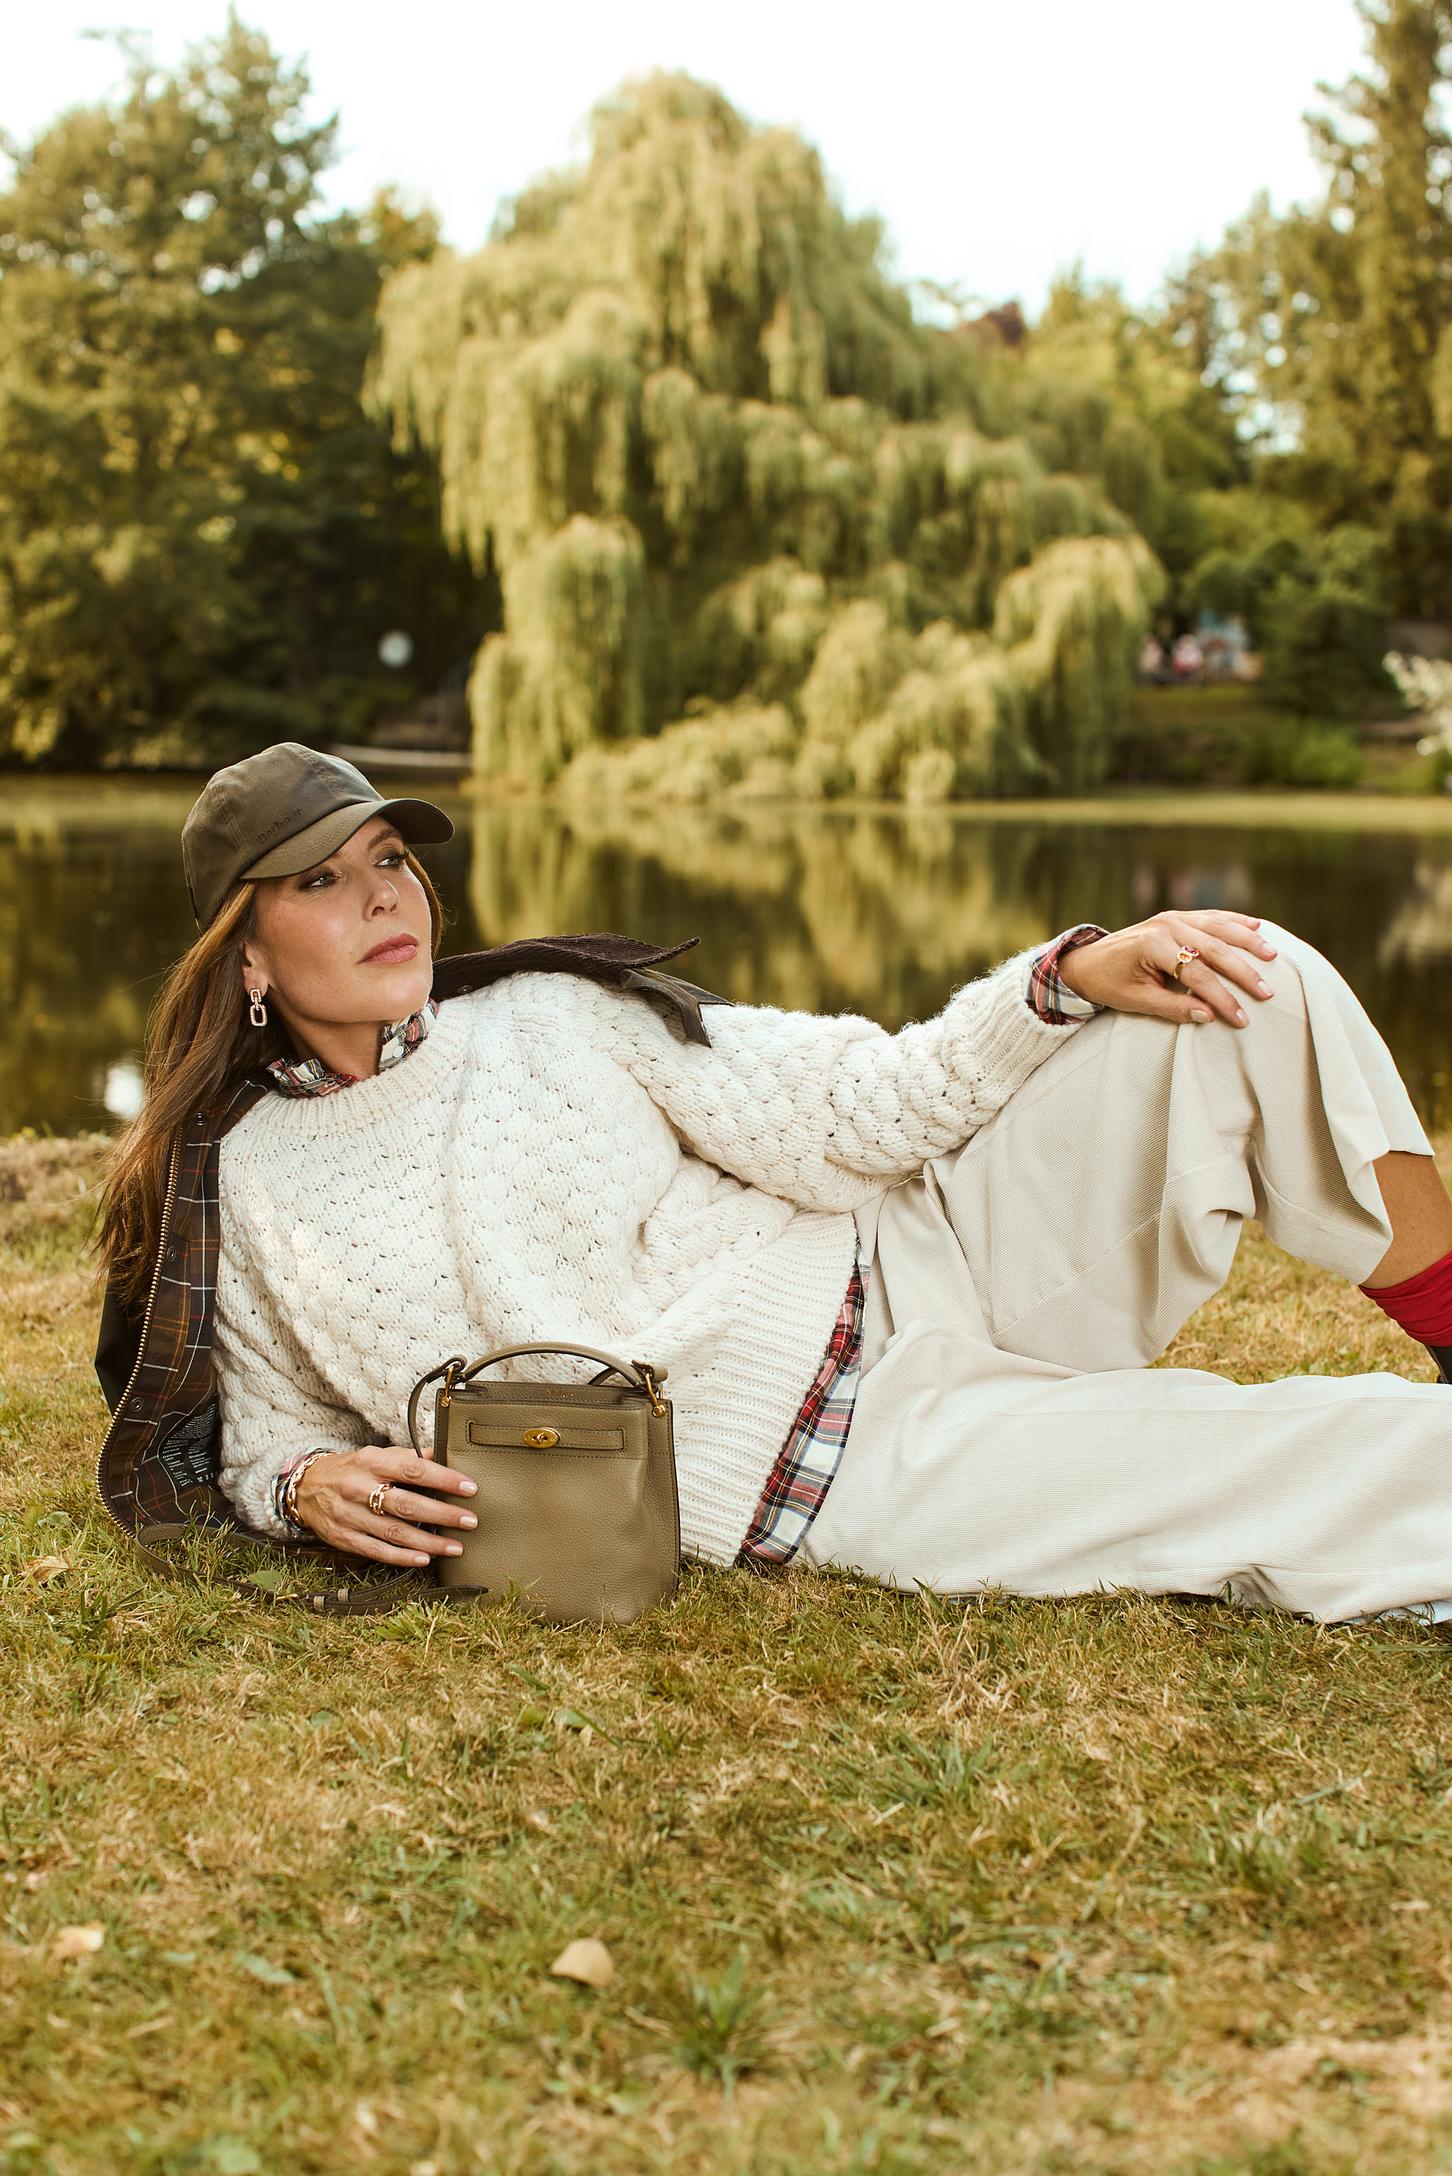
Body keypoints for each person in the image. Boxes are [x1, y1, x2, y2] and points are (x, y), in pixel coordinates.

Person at [93, 743, 1452, 1628]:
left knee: (1244, 977)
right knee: (1315, 1470)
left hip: (931, 1260)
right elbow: (268, 1437)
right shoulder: (244, 1184)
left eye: (391, 860)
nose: (385, 898)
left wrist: (1061, 983)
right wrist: (305, 1486)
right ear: (249, 956)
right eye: (324, 882)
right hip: (848, 1472)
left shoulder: (556, 1008)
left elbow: (856, 1109)